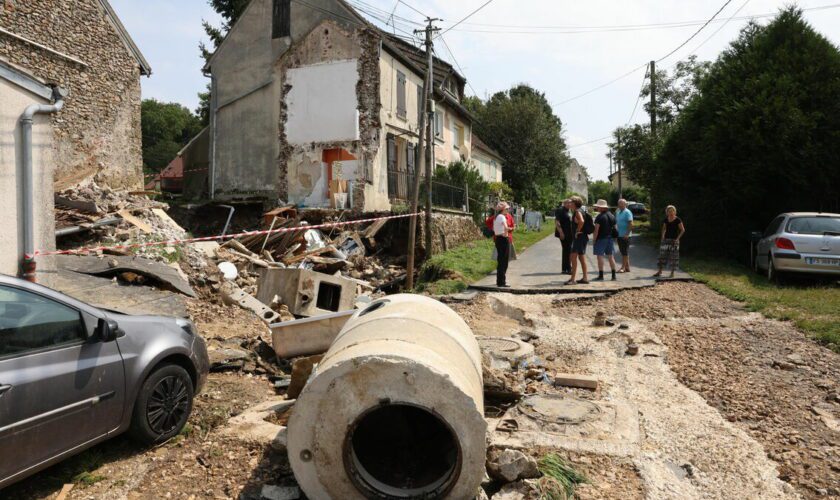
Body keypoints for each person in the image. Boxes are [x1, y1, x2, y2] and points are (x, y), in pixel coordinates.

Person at [655, 205, 686, 278]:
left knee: (673, 257)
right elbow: (664, 229)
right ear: (667, 212)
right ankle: (660, 271)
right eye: (669, 211)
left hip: (674, 241)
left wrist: (678, 238)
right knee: (662, 256)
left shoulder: (678, 220)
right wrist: (662, 236)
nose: (671, 212)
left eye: (672, 211)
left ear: (675, 211)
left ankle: (672, 273)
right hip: (666, 240)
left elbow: (682, 230)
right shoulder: (666, 219)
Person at [565, 196, 590, 285]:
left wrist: (577, 231)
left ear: (575, 203)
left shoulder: (577, 211)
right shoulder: (581, 210)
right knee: (581, 257)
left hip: (579, 238)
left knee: (573, 257)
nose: (569, 204)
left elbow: (582, 221)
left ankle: (573, 279)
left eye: (570, 202)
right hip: (583, 237)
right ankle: (585, 278)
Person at [592, 199, 617, 281]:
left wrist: (594, 240)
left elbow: (596, 230)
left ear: (602, 208)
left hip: (601, 239)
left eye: (598, 207)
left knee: (600, 257)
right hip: (610, 238)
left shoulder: (599, 217)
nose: (597, 208)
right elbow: (616, 228)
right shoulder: (612, 216)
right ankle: (613, 276)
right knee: (611, 256)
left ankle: (601, 275)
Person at [493, 202, 512, 287]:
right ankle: (502, 282)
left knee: (501, 261)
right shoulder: (502, 217)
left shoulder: (497, 217)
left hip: (498, 239)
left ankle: (499, 281)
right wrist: (509, 229)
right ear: (503, 210)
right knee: (504, 261)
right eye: (507, 209)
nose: (508, 210)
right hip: (503, 239)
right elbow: (506, 227)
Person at [615, 198, 634, 273]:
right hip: (619, 235)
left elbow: (631, 224)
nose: (620, 205)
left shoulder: (627, 212)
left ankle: (623, 267)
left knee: (624, 252)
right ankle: (627, 267)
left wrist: (627, 234)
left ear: (625, 204)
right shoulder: (618, 212)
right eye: (619, 204)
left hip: (625, 236)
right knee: (623, 252)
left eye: (622, 204)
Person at [555, 199, 573, 274]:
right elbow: (557, 222)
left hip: (569, 233)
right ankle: (568, 268)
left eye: (570, 203)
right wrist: (561, 232)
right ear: (565, 203)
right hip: (564, 233)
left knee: (566, 250)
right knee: (568, 250)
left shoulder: (569, 210)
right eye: (568, 203)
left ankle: (565, 268)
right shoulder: (560, 210)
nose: (570, 204)